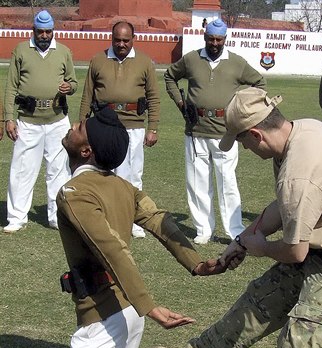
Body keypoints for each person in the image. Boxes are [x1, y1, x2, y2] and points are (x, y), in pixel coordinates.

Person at [147, 87, 322, 348]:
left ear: (256, 135)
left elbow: (295, 251)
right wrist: (242, 240)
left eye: (243, 142)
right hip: (319, 248)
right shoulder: (301, 131)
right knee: (255, 305)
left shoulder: (298, 173)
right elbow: (283, 206)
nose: (244, 148)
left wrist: (261, 248)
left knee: (297, 347)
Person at [57, 107, 233, 348]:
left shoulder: (74, 193)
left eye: (80, 128)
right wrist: (196, 263)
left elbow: (111, 248)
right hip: (128, 314)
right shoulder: (123, 186)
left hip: (103, 320)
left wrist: (148, 306)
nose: (74, 124)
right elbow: (159, 219)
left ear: (86, 151)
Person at [164, 19, 266, 245]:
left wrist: (243, 110)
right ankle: (203, 229)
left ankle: (234, 230)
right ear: (205, 37)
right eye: (211, 38)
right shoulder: (191, 59)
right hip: (195, 130)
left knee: (227, 182)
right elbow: (170, 76)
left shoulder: (236, 63)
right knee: (197, 182)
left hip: (225, 132)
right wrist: (181, 103)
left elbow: (260, 83)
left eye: (219, 39)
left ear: (225, 39)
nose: (214, 43)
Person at [79, 21, 160, 239]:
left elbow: (153, 96)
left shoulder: (144, 62)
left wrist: (152, 127)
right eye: (117, 40)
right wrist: (82, 125)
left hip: (133, 125)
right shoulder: (98, 60)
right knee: (106, 173)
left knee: (133, 174)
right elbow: (87, 94)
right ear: (112, 38)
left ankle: (134, 221)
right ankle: (107, 218)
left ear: (133, 39)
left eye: (126, 40)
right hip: (104, 124)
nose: (121, 44)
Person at [3, 10, 76, 233]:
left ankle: (56, 216)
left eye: (48, 31)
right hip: (28, 120)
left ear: (53, 31)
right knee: (22, 169)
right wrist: (8, 118)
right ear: (33, 31)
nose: (44, 35)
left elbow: (73, 82)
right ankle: (16, 217)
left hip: (57, 120)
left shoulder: (63, 51)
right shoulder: (21, 50)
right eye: (40, 31)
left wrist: (69, 87)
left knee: (59, 170)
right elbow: (10, 87)